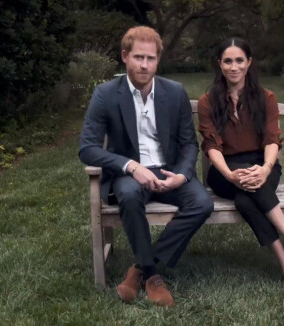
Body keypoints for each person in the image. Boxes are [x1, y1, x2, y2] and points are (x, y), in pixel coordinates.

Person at [79, 26, 213, 307]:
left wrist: (182, 174)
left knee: (202, 203)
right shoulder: (105, 94)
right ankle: (152, 275)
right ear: (125, 56)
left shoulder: (174, 92)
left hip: (169, 170)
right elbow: (87, 148)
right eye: (138, 57)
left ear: (157, 60)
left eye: (150, 59)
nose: (144, 64)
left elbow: (189, 143)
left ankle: (139, 267)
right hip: (130, 174)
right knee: (127, 194)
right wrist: (129, 166)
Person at [197, 37, 284, 296]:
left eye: (239, 60)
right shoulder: (208, 101)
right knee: (247, 189)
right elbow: (211, 146)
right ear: (219, 64)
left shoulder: (266, 98)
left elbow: (271, 138)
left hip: (262, 164)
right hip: (224, 170)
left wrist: (265, 168)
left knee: (246, 199)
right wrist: (231, 175)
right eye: (228, 61)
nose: (234, 67)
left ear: (249, 62)